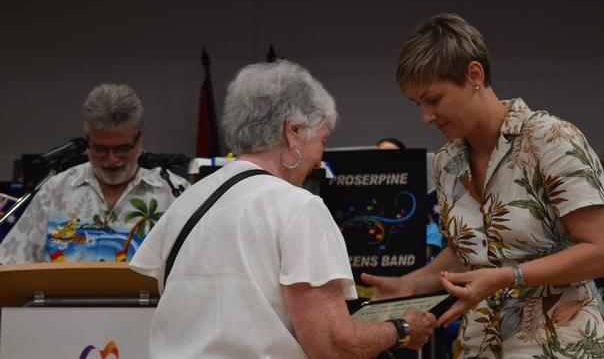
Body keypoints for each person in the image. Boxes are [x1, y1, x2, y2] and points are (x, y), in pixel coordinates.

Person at [129, 61, 436, 358]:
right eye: (321, 139)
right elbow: (333, 345)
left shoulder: (187, 202)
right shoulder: (299, 207)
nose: (319, 159)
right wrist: (403, 327)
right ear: (293, 131)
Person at [361, 13, 604, 358]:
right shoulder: (446, 162)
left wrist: (508, 276)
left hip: (564, 346)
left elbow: (602, 253)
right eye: (417, 104)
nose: (425, 117)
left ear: (474, 75)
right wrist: (409, 284)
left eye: (434, 100)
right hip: (481, 346)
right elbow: (465, 252)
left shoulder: (550, 139)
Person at [0, 84, 190, 264]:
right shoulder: (54, 190)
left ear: (141, 135)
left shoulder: (174, 193)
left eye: (122, 148)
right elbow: (11, 263)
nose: (112, 160)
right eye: (100, 149)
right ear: (87, 137)